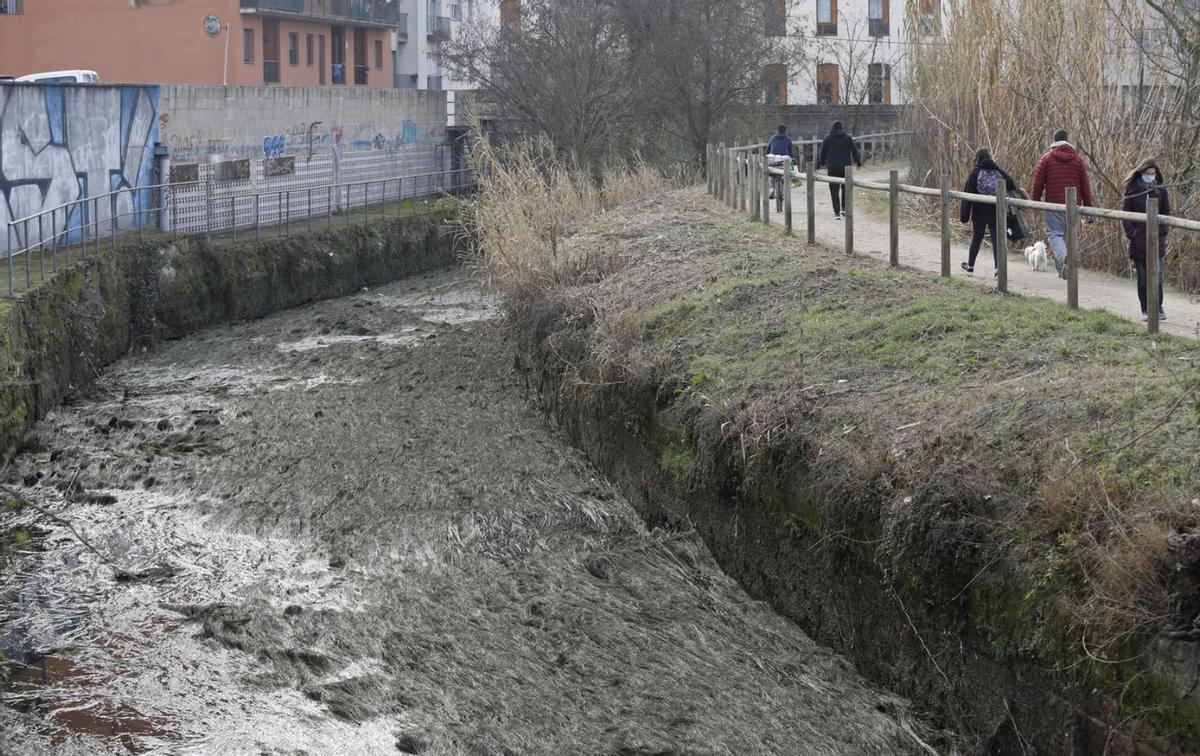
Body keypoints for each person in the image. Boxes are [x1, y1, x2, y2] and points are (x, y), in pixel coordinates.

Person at [1030, 129, 1094, 278]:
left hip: (1053, 204)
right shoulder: (1078, 160)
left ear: (1054, 141)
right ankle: (1063, 271)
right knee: (1067, 236)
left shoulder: (1046, 158)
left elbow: (1038, 183)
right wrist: (1088, 209)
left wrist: (1034, 202)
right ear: (1067, 140)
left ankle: (1064, 258)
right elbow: (1085, 186)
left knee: (1054, 233)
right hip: (1074, 205)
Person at [1121, 158, 1170, 321]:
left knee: (1158, 277)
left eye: (1153, 173)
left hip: (1157, 239)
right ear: (1141, 173)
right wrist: (1132, 233)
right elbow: (1126, 214)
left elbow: (1166, 212)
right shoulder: (1131, 189)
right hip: (1139, 240)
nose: (1150, 176)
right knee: (1143, 279)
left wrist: (1162, 231)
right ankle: (1145, 309)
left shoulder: (1161, 190)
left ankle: (1158, 307)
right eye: (1148, 173)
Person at [959, 148, 1020, 276]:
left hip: (979, 211)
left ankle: (970, 266)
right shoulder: (997, 171)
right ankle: (998, 268)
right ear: (989, 157)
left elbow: (968, 194)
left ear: (977, 158)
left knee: (977, 238)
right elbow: (1011, 183)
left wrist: (964, 216)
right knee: (996, 239)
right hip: (995, 210)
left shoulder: (975, 173)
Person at [817, 120, 862, 220]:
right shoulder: (848, 138)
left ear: (832, 128)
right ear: (841, 128)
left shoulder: (827, 138)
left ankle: (836, 212)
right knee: (846, 188)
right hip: (846, 168)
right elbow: (854, 151)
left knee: (834, 190)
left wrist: (822, 163)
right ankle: (844, 209)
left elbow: (823, 152)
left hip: (832, 168)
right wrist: (858, 163)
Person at [767, 124, 794, 212]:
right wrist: (790, 156)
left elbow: (768, 149)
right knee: (785, 175)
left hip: (773, 160)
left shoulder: (773, 138)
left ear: (777, 130)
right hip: (783, 161)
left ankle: (772, 187)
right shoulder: (788, 139)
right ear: (785, 131)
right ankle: (783, 189)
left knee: (771, 173)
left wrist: (768, 154)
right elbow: (790, 151)